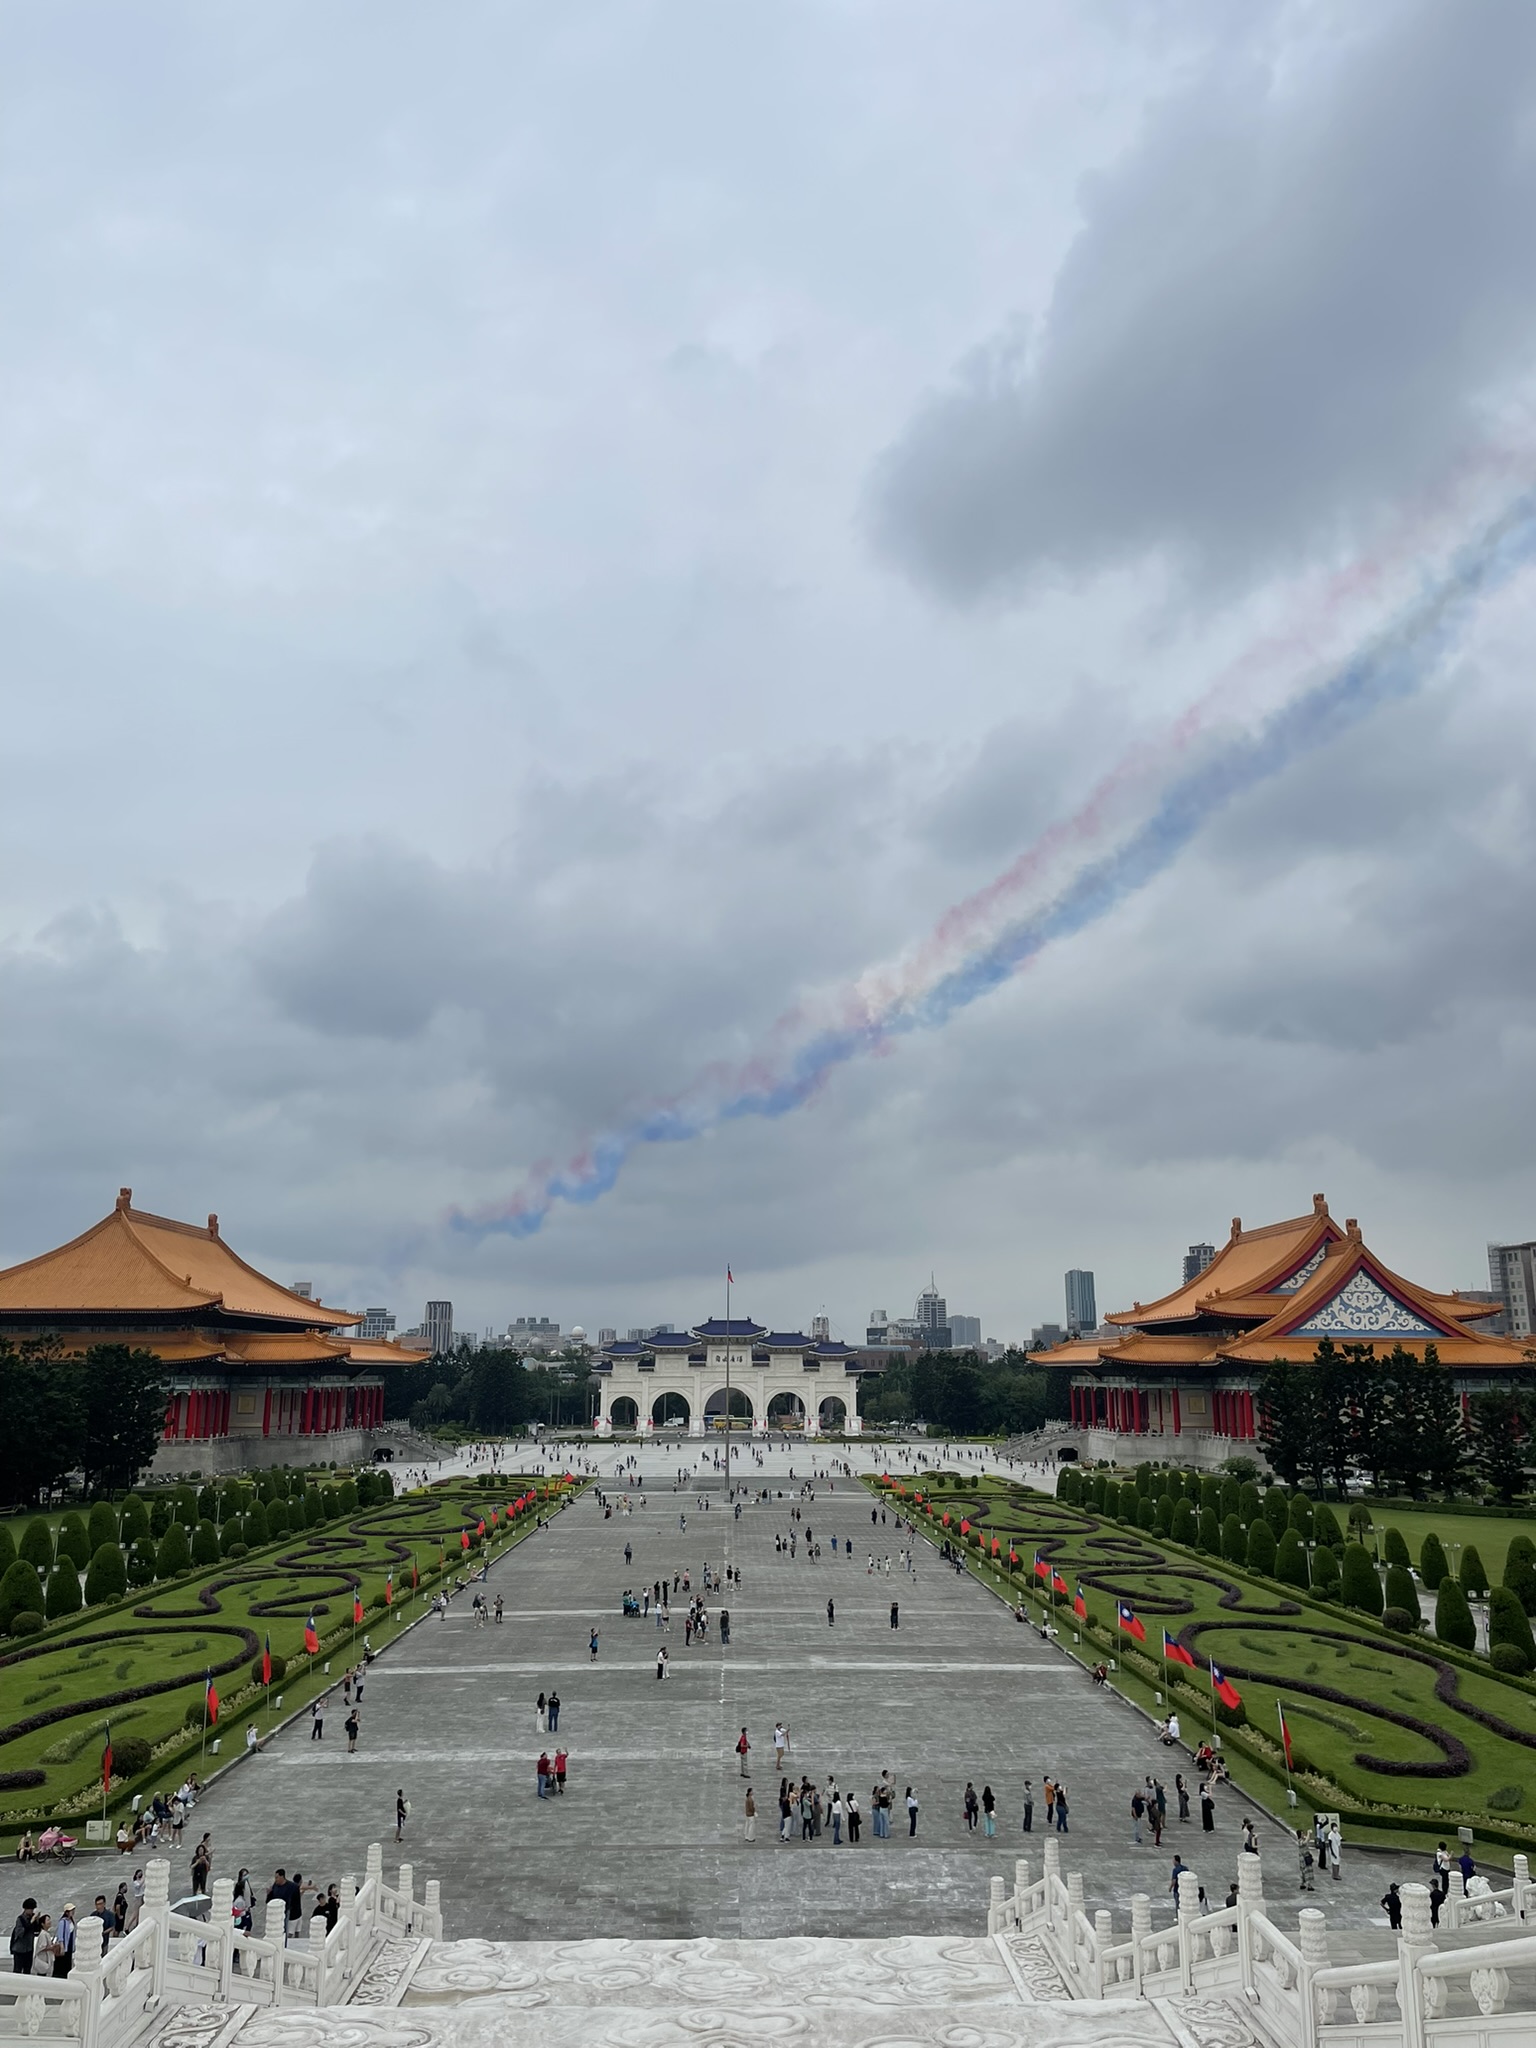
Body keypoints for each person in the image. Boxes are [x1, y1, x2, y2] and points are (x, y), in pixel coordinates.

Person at [52, 1904, 75, 1979]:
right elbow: (60, 1935)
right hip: (65, 1945)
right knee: (62, 1963)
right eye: (71, 1910)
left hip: (69, 1945)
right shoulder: (63, 1922)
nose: (73, 1912)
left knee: (67, 1962)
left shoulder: (70, 1921)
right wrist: (62, 1947)